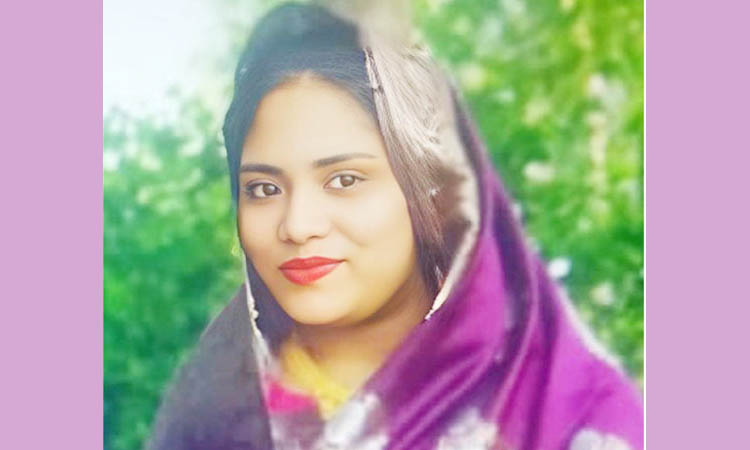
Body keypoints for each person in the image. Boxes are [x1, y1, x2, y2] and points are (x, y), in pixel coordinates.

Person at [147, 3, 643, 449]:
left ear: (435, 190)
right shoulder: (209, 414)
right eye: (263, 189)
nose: (297, 225)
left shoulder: (572, 418)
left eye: (344, 180)